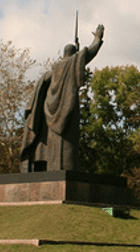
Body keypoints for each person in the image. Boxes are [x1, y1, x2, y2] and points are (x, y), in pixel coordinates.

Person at [20, 24, 104, 172]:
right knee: (66, 148)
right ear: (74, 54)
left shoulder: (55, 68)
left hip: (49, 112)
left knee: (55, 144)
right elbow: (90, 52)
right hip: (68, 111)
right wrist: (98, 37)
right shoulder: (72, 62)